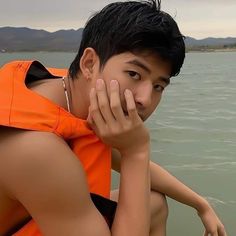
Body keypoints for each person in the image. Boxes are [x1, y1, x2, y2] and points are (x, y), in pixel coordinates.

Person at [0, 0, 227, 235]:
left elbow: (128, 161)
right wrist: (136, 151)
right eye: (134, 74)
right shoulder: (36, 147)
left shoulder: (70, 89)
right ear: (89, 64)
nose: (145, 99)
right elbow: (130, 156)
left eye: (159, 86)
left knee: (154, 203)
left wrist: (200, 204)